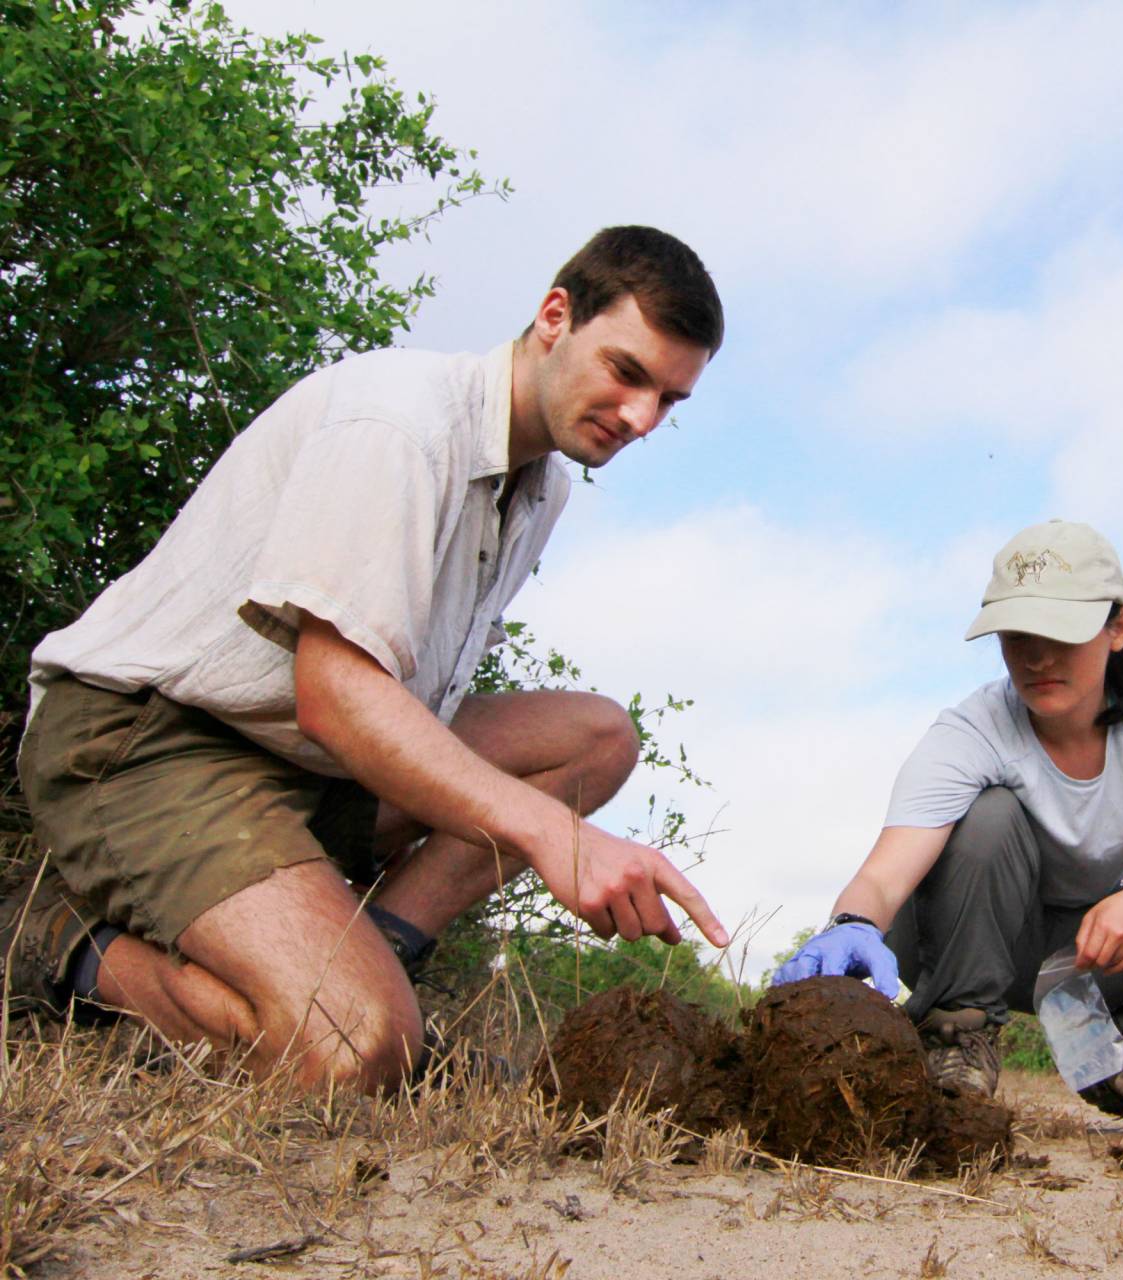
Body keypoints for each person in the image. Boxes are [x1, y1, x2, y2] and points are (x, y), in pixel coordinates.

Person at [3, 226, 732, 1093]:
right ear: (554, 316)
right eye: (627, 372)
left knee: (596, 737)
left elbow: (396, 698)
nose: (643, 419)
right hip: (146, 743)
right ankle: (62, 951)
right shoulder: (400, 424)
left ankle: (380, 957)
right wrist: (554, 835)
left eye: (669, 401)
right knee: (349, 1050)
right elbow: (336, 696)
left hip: (297, 761)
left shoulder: (546, 485)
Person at [771, 519, 1123, 1147]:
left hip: (1084, 951)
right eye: (1017, 634)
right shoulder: (974, 731)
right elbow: (886, 873)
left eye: (1061, 631)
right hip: (961, 938)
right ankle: (957, 1037)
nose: (1037, 656)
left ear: (1118, 627)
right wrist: (852, 926)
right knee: (991, 814)